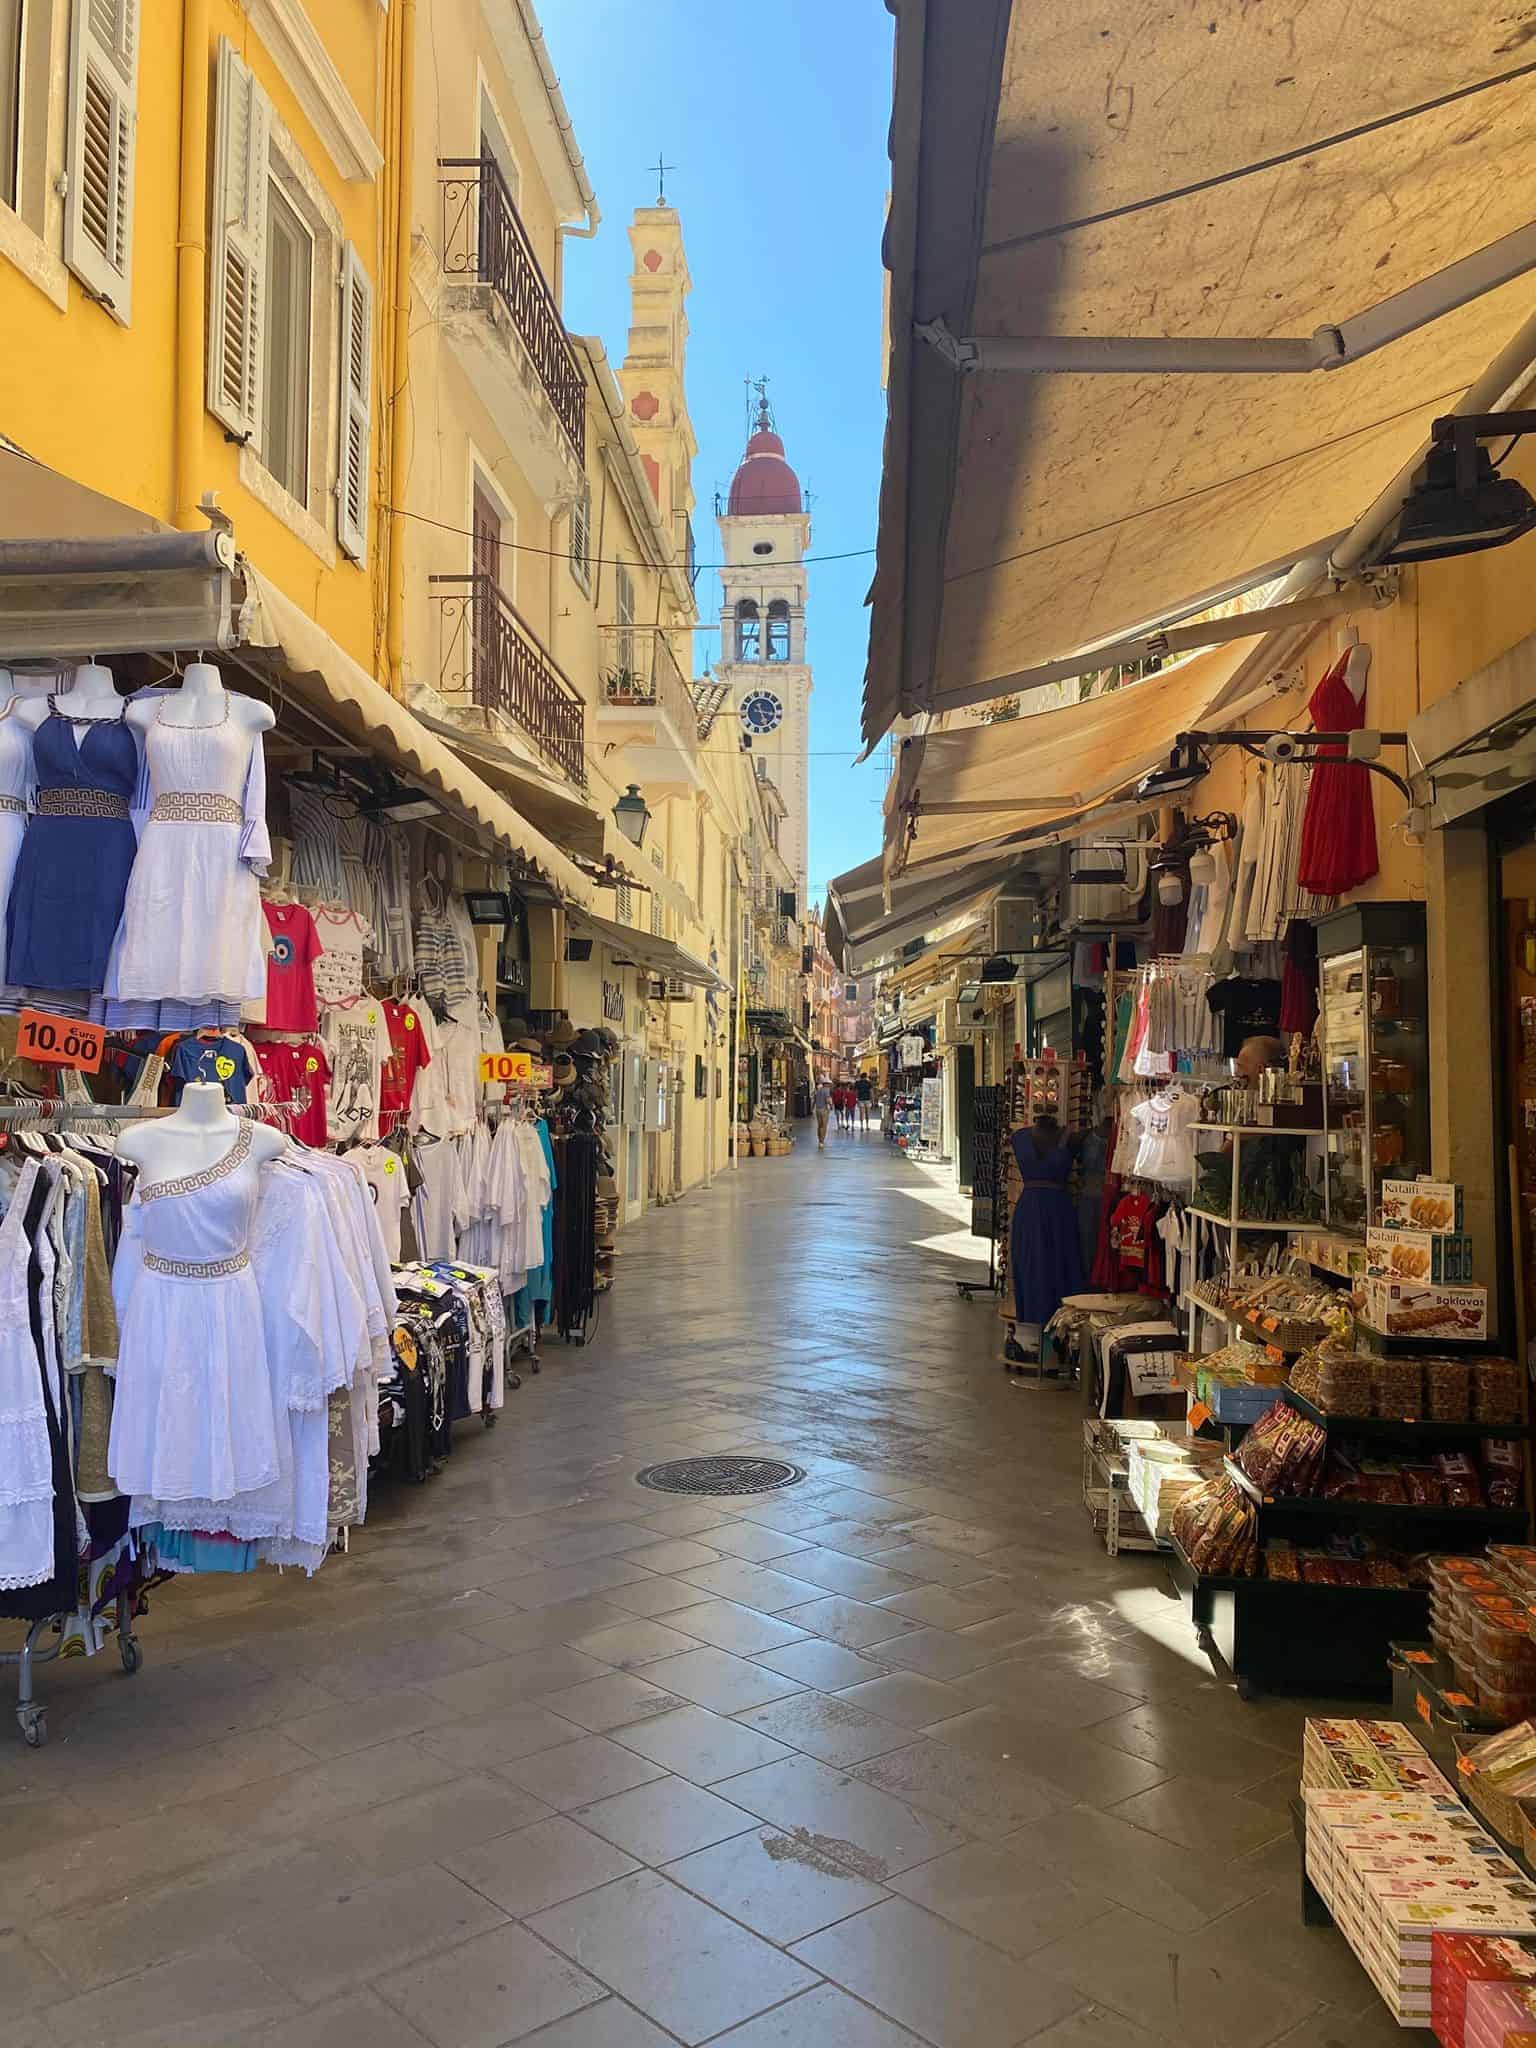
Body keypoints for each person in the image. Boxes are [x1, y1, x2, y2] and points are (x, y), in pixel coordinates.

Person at [1008, 1112, 1086, 1353]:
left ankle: (1059, 1330)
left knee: (1057, 1266)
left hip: (1053, 1212)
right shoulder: (1019, 1137)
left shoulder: (1069, 1138)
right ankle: (1035, 1333)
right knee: (1032, 1265)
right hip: (1040, 1210)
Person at [813, 1077, 833, 1147]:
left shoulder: (818, 1090)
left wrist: (812, 1108)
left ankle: (819, 1140)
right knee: (824, 1126)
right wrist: (831, 1106)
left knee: (819, 1125)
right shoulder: (826, 1090)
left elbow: (814, 1100)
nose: (830, 1085)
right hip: (824, 1110)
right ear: (826, 1084)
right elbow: (828, 1099)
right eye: (829, 1084)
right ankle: (822, 1141)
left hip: (817, 1109)